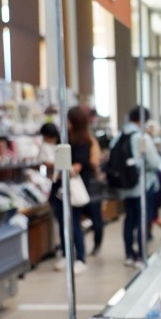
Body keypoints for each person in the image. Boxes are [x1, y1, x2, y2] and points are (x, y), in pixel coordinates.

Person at [115, 105, 161, 268]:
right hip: (143, 184)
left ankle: (129, 254)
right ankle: (142, 254)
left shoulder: (119, 135)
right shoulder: (142, 137)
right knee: (143, 218)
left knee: (129, 219)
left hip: (126, 186)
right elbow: (154, 161)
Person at [41, 122, 86, 272]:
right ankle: (67, 255)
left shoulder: (79, 144)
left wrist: (64, 169)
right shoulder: (56, 147)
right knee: (62, 225)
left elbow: (75, 168)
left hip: (71, 192)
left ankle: (80, 258)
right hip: (58, 193)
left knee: (74, 225)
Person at [66, 106, 104, 255]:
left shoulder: (72, 139)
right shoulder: (88, 139)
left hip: (78, 183)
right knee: (95, 217)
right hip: (86, 182)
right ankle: (94, 245)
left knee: (76, 218)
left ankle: (81, 251)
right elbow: (95, 161)